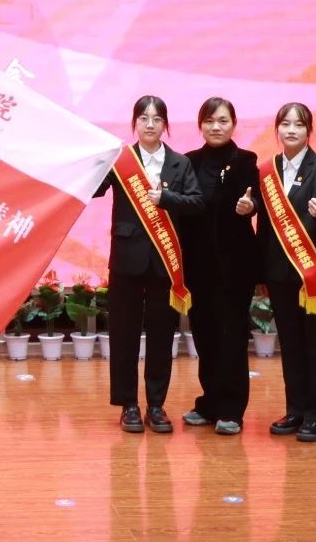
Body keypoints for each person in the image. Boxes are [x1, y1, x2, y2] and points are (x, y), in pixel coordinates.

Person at [94, 95, 203, 434]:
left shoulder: (180, 163)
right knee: (123, 333)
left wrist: (166, 199)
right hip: (127, 259)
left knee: (161, 334)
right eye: (144, 118)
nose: (150, 124)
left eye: (157, 119)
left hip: (165, 263)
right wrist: (94, 158)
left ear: (165, 124)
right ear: (135, 123)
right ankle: (127, 404)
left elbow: (196, 203)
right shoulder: (121, 160)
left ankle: (156, 405)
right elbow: (94, 190)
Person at [239, 102, 316, 442]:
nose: (292, 130)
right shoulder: (267, 170)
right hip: (279, 273)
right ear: (278, 129)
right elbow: (265, 228)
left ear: (309, 130)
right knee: (292, 345)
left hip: (314, 273)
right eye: (286, 124)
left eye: (299, 124)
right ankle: (296, 409)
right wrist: (260, 273)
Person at [177, 97, 260, 435]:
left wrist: (250, 207)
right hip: (198, 266)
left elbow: (256, 200)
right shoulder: (188, 162)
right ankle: (209, 403)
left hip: (235, 266)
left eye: (223, 121)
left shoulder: (245, 161)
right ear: (200, 125)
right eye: (210, 121)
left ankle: (232, 409)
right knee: (205, 334)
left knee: (232, 336)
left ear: (233, 124)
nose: (216, 127)